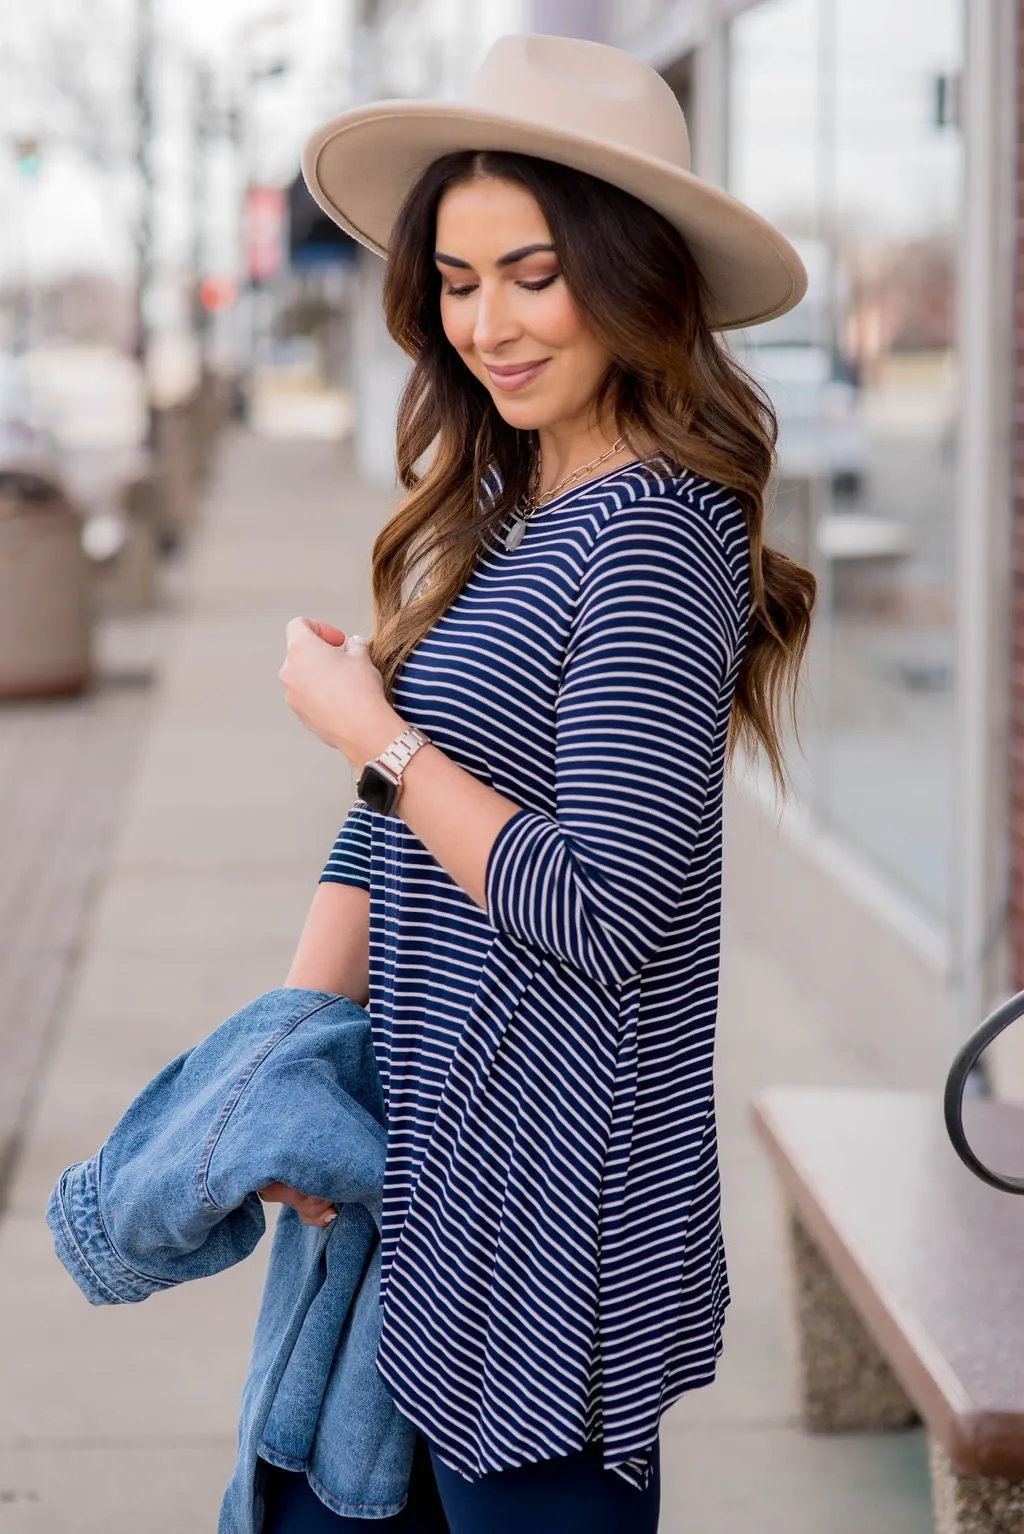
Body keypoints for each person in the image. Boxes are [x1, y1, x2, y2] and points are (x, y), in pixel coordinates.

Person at [262, 31, 816, 1534]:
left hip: (554, 1240)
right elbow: (399, 835)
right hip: (452, 1186)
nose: (489, 323)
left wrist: (376, 735)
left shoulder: (649, 535)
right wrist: (291, 1071)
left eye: (533, 272)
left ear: (635, 279)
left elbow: (598, 907)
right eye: (457, 280)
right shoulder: (529, 510)